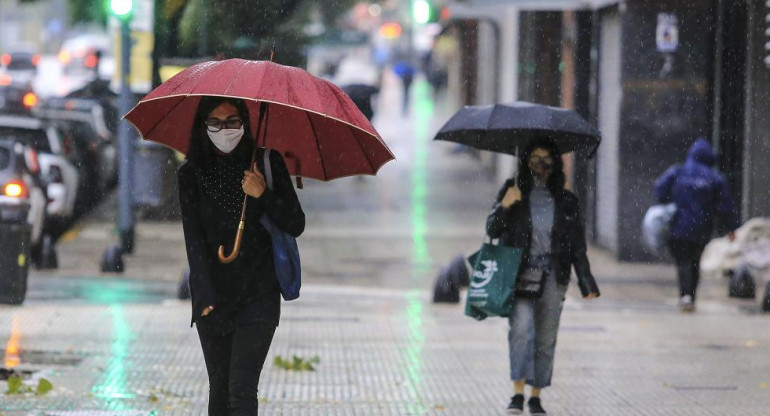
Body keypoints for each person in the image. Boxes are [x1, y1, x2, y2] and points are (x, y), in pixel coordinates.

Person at [178, 96, 305, 415]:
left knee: (242, 388)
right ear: (203, 126)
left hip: (259, 296)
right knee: (219, 390)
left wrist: (263, 195)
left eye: (233, 121)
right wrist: (204, 296)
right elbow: (193, 240)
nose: (225, 130)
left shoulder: (265, 163)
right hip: (213, 298)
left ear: (245, 124)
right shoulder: (191, 173)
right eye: (216, 123)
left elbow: (295, 222)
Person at [486, 137, 600, 415]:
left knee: (546, 336)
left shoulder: (566, 200)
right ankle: (517, 393)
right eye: (534, 158)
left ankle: (536, 396)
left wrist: (586, 280)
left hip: (553, 273)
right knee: (522, 330)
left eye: (546, 158)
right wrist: (505, 206)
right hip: (520, 272)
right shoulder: (512, 189)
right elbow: (492, 229)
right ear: (525, 161)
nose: (540, 165)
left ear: (556, 162)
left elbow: (576, 244)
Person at [654, 138, 739, 312]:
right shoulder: (715, 178)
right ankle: (690, 296)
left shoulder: (678, 172)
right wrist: (730, 228)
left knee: (683, 261)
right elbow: (725, 205)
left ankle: (685, 296)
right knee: (694, 261)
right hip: (701, 229)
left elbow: (659, 189)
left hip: (678, 226)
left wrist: (671, 200)